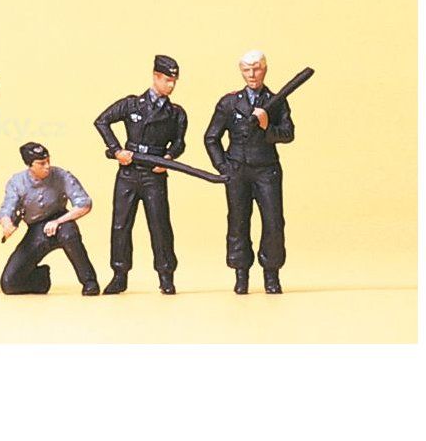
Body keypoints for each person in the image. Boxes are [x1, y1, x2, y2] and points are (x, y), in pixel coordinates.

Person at [93, 55, 188, 294]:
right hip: (129, 172)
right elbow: (102, 121)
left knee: (160, 225)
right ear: (156, 77)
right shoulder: (132, 104)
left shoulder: (176, 113)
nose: (171, 85)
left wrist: (168, 158)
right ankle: (119, 274)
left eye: (174, 81)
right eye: (167, 80)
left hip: (154, 174)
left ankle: (166, 275)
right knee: (121, 224)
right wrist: (117, 150)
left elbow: (179, 143)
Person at [204, 50, 295, 294]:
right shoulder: (229, 103)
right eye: (247, 69)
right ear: (241, 72)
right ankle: (240, 274)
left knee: (273, 222)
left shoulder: (276, 101)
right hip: (238, 171)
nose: (252, 74)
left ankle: (271, 275)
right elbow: (211, 137)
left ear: (265, 69)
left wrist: (267, 126)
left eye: (257, 68)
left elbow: (288, 134)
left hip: (267, 170)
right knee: (238, 222)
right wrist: (223, 167)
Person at [0, 143, 100, 296]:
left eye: (48, 161)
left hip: (61, 220)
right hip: (36, 229)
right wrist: (7, 224)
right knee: (9, 283)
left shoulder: (62, 176)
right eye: (41, 163)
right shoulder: (17, 182)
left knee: (69, 235)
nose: (47, 166)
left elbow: (84, 204)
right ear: (30, 165)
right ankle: (41, 279)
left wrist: (58, 222)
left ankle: (89, 282)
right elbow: (7, 208)